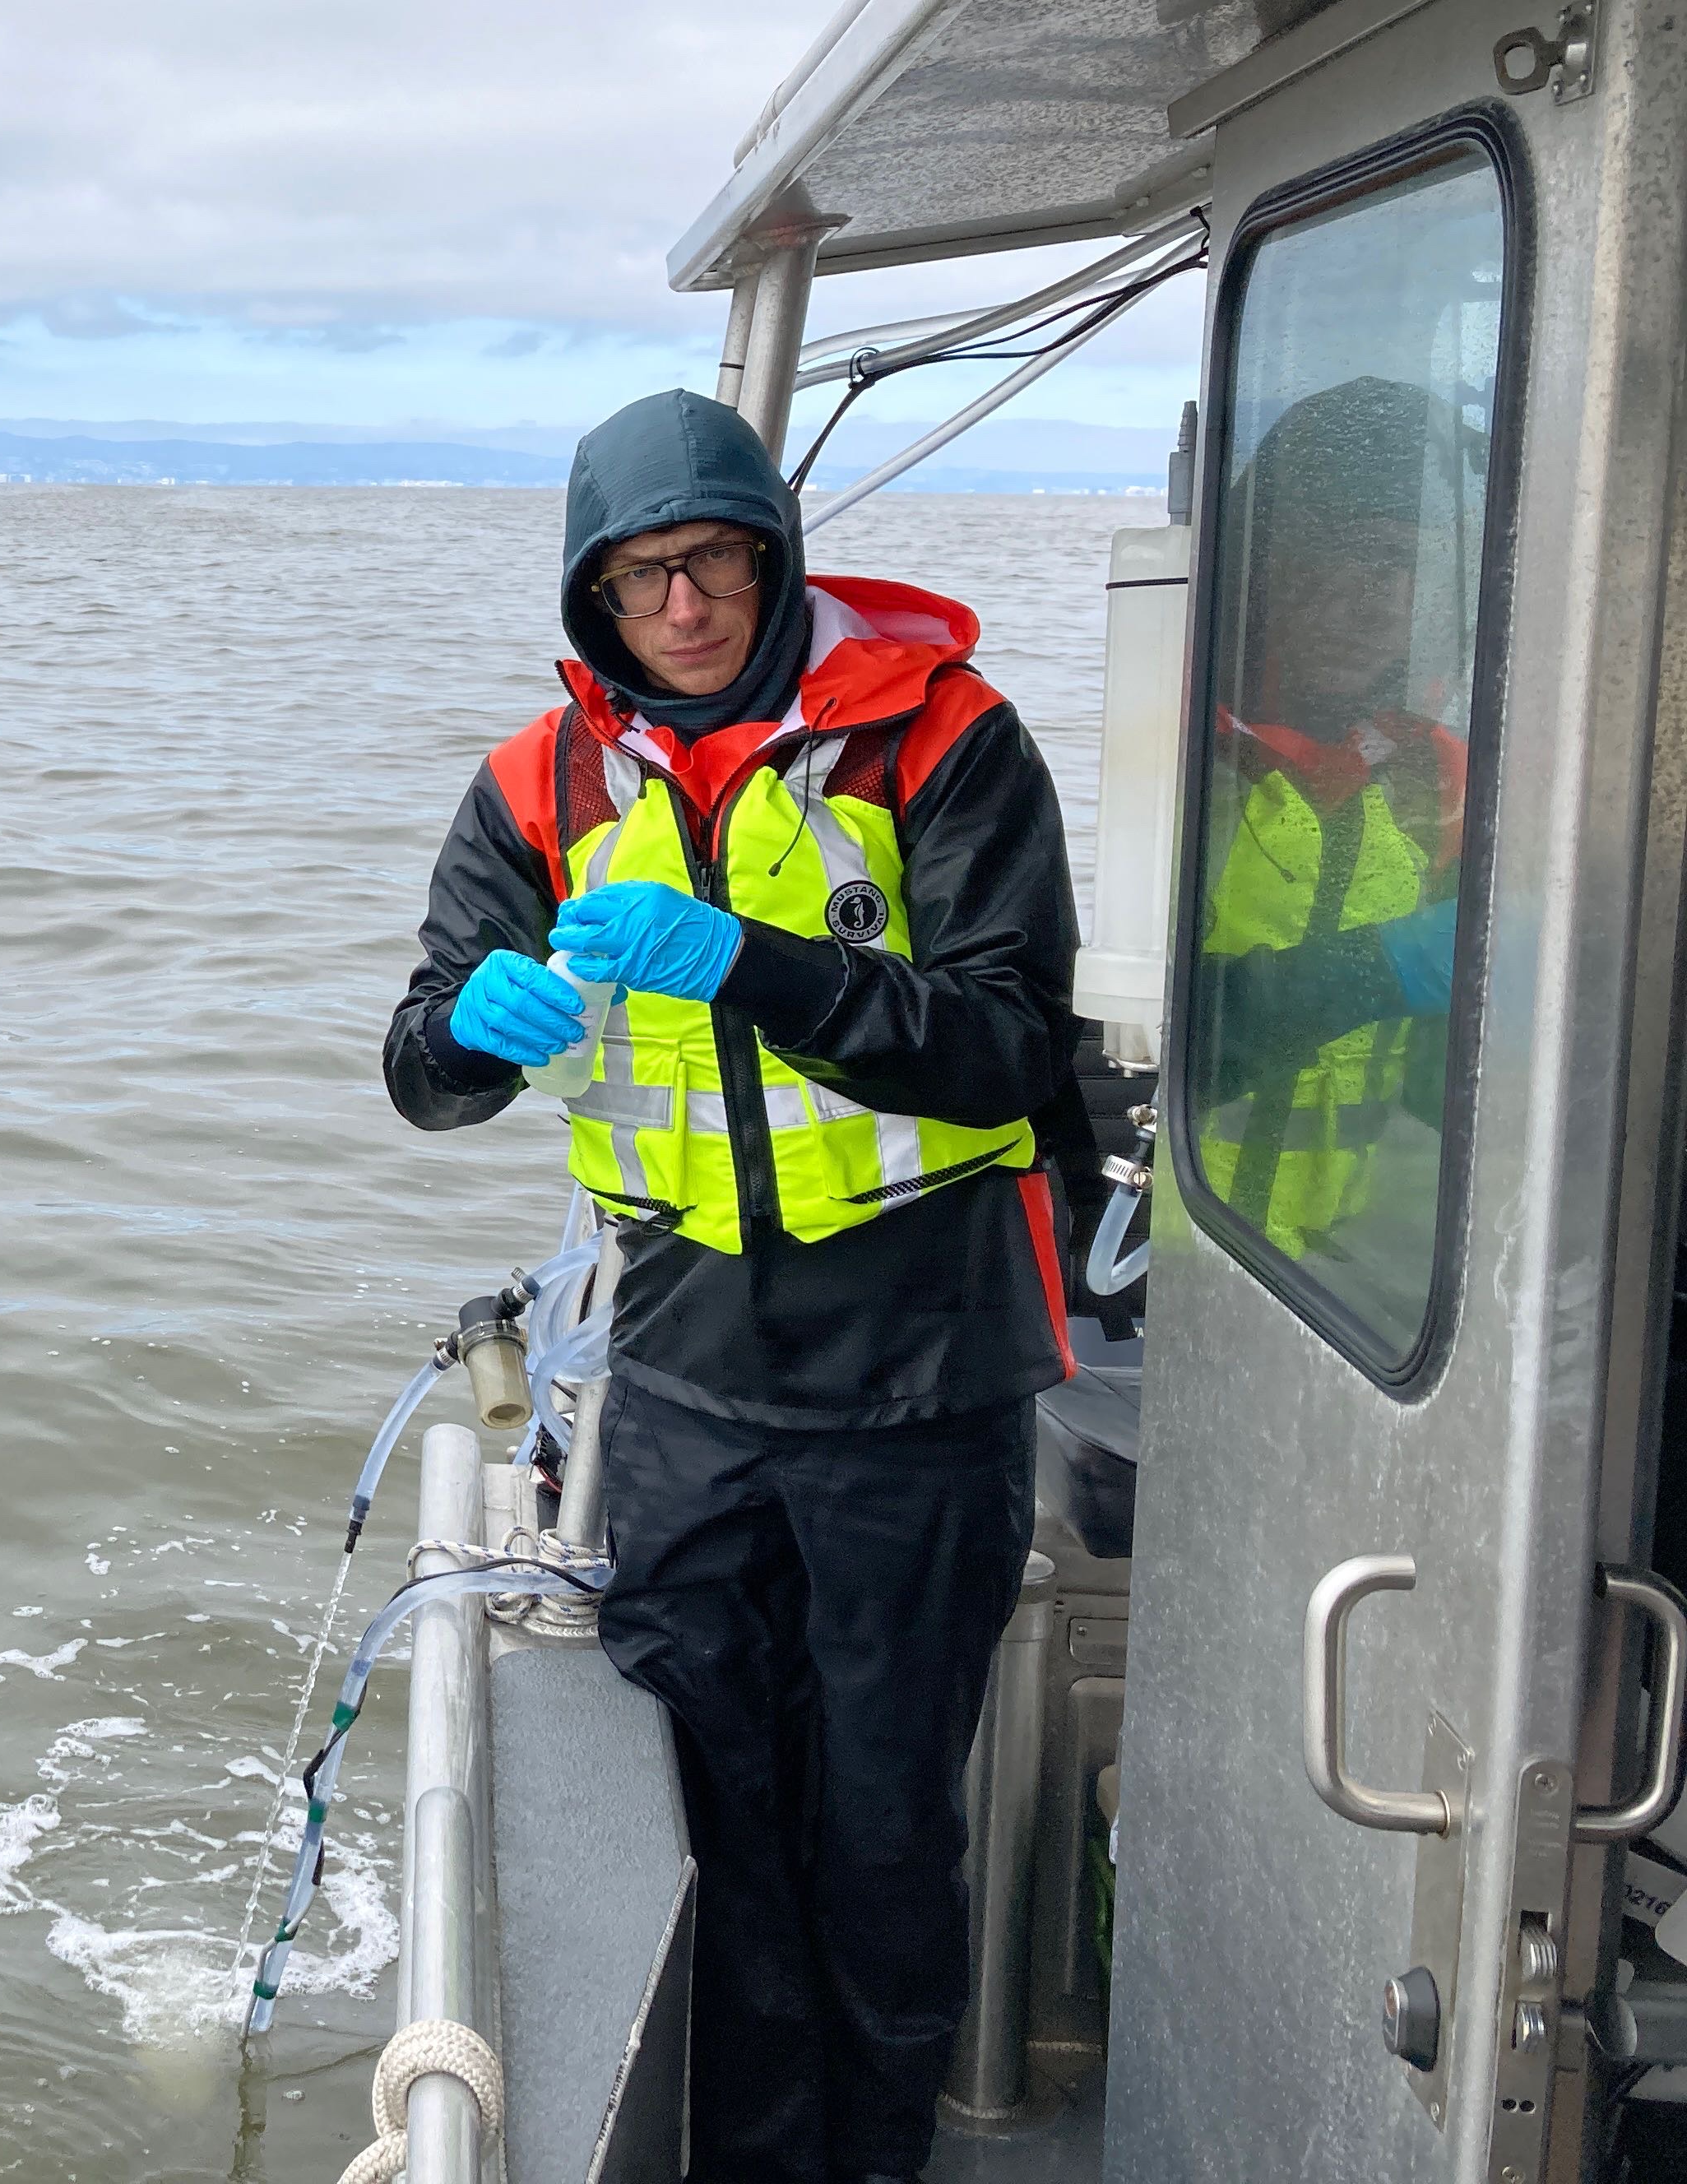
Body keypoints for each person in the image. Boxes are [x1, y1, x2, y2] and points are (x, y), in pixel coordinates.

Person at [382, 387, 1079, 2184]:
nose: (681, 607)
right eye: (639, 578)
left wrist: (753, 963)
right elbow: (420, 1072)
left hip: (919, 1378)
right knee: (717, 1817)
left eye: (713, 562)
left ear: (774, 555)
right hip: (685, 1377)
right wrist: (466, 1032)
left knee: (886, 1828)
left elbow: (1008, 1045)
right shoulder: (535, 788)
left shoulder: (945, 740)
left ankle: (875, 2160)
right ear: (590, 596)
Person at [1189, 377, 1467, 1264]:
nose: (1376, 601)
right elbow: (1129, 1035)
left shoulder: (1446, 776)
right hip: (1179, 1244)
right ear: (1271, 572)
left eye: (1407, 569)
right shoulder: (1182, 753)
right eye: (1348, 557)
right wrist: (1379, 968)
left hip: (1343, 1278)